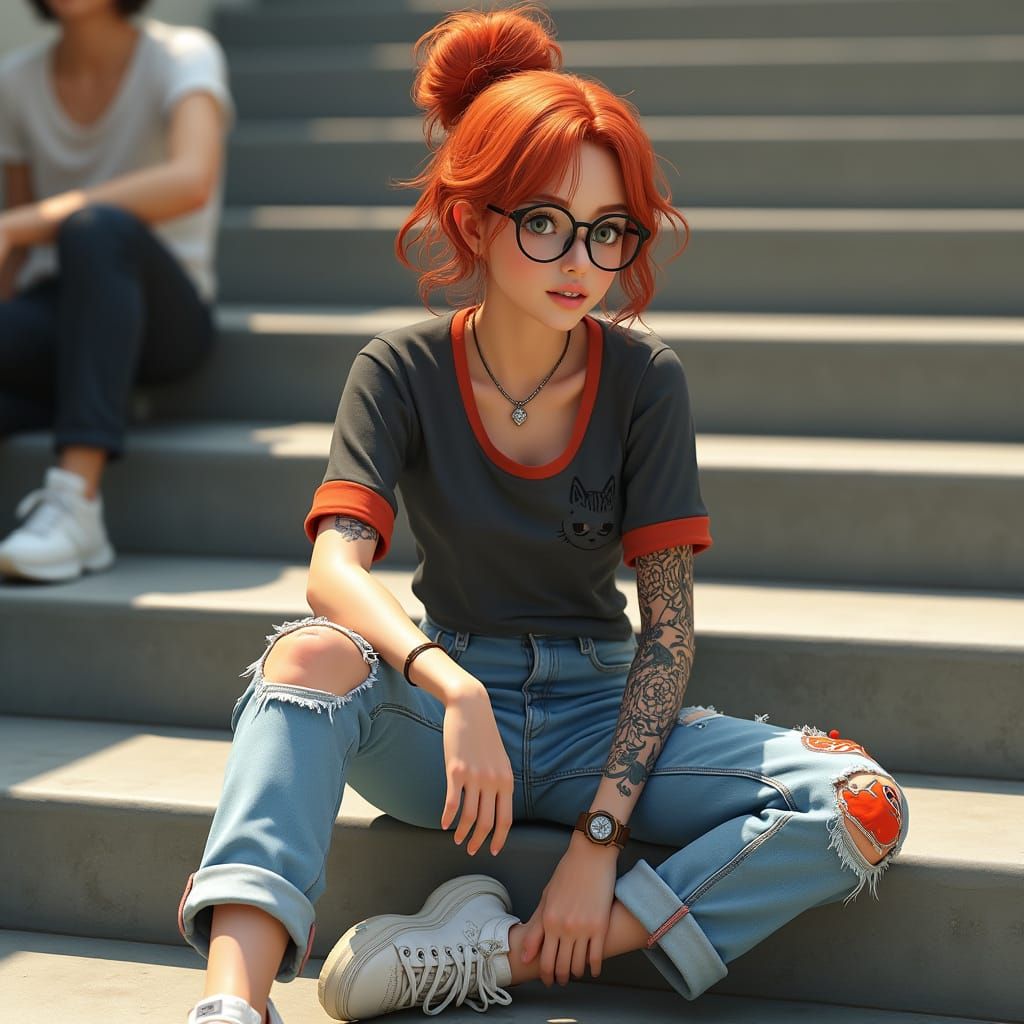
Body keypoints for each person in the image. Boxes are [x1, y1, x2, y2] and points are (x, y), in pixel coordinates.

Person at [178, 8, 909, 1024]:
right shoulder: (399, 369)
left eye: (608, 230)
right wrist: (451, 686)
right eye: (545, 222)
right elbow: (334, 569)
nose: (581, 260)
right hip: (438, 724)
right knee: (304, 656)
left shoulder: (644, 380)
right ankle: (232, 1003)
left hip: (594, 717)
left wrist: (599, 842)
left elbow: (668, 632)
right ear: (475, 220)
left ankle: (496, 956)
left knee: (860, 805)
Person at [0, 0, 232, 582]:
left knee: (96, 228)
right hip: (62, 311)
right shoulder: (16, 80)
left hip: (165, 317)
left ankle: (76, 502)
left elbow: (191, 180)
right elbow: (17, 256)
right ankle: (93, 397)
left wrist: (19, 224)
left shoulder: (182, 54)